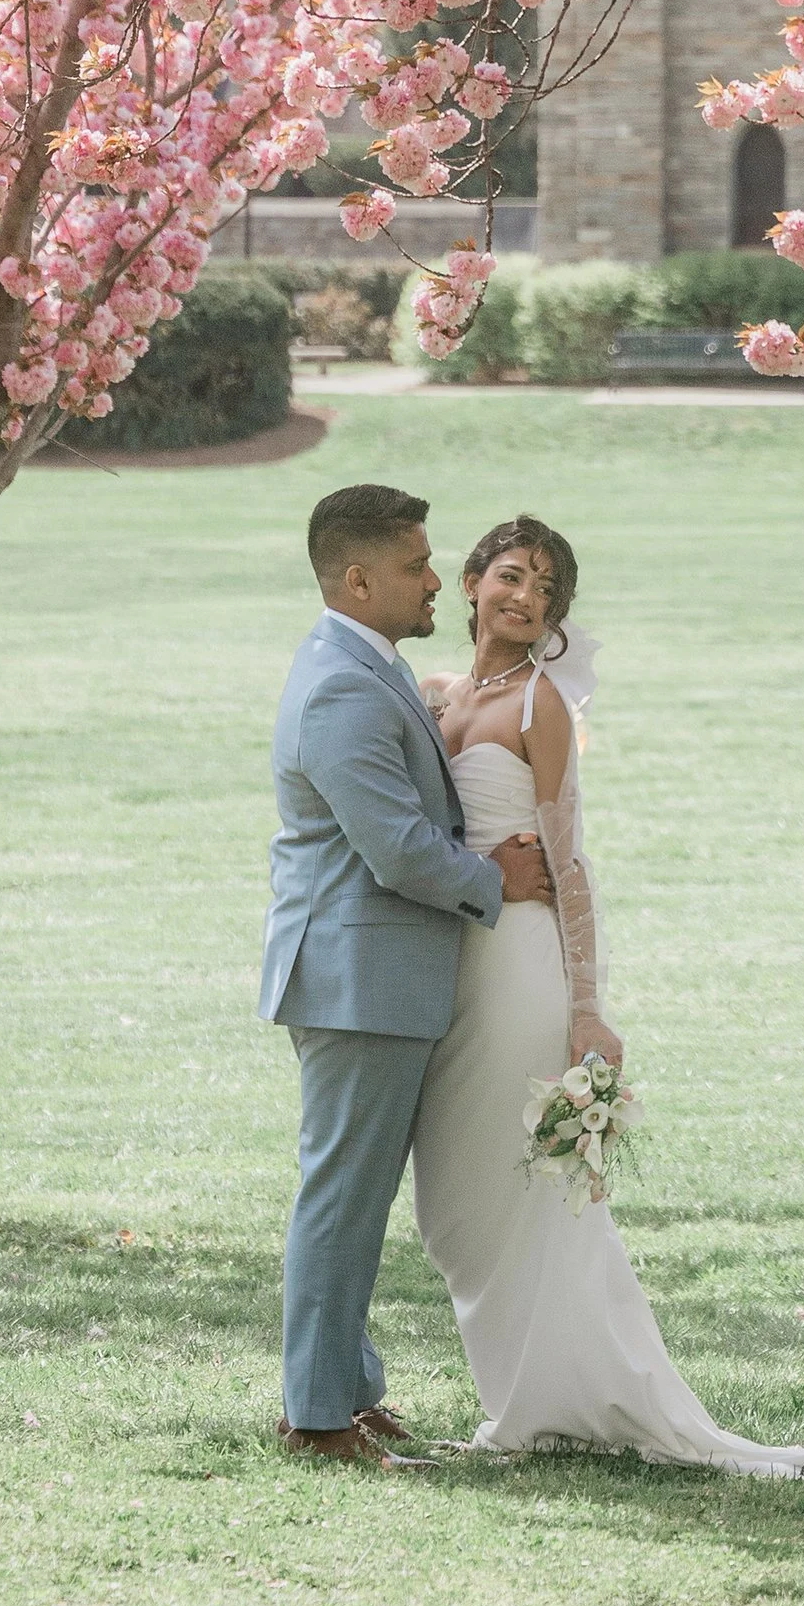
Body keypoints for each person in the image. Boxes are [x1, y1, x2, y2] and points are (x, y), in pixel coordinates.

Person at [411, 512, 804, 1478]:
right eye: (509, 574)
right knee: (455, 1203)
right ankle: (526, 1396)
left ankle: (547, 1406)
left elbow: (569, 858)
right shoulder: (429, 695)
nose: (523, 596)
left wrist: (589, 1007)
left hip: (521, 969)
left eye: (544, 589)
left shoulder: (542, 706)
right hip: (447, 960)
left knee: (523, 1194)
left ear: (553, 618)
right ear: (469, 583)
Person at [261, 480, 554, 1466]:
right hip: (357, 975)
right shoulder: (343, 681)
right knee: (340, 1196)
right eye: (416, 565)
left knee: (354, 1194)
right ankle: (314, 1416)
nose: (440, 580)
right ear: (357, 578)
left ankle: (346, 1387)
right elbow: (392, 844)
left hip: (373, 975)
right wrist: (493, 876)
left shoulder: (364, 661)